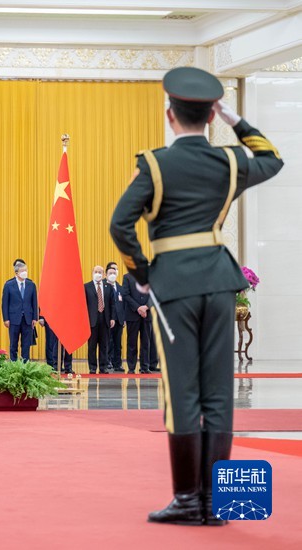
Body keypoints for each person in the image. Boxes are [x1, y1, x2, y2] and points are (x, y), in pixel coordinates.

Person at [110, 66, 283, 526]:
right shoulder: (230, 161)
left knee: (182, 390)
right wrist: (236, 120)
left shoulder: (154, 165)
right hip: (220, 281)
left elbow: (120, 225)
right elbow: (272, 158)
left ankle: (188, 500)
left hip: (174, 286)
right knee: (219, 391)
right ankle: (219, 504)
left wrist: (141, 274)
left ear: (171, 116)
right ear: (211, 116)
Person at [2, 259, 37, 361]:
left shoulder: (31, 284)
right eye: (22, 271)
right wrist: (6, 319)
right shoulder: (9, 285)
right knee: (13, 343)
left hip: (28, 318)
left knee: (26, 344)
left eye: (26, 270)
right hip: (13, 319)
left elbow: (34, 302)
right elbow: (5, 303)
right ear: (16, 272)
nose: (25, 272)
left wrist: (35, 317)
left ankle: (25, 364)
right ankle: (13, 363)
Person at [122, 271, 156, 374]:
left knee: (146, 342)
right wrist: (138, 308)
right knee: (132, 342)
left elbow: (155, 294)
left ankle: (145, 367)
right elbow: (125, 294)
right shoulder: (127, 277)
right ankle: (131, 367)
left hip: (147, 314)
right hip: (132, 314)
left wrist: (146, 307)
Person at [84, 265, 114, 374]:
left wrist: (112, 318)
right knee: (92, 345)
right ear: (92, 273)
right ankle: (92, 367)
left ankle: (103, 367)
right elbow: (84, 304)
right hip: (92, 320)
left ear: (104, 274)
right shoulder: (86, 286)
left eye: (100, 272)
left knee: (104, 345)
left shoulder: (108, 287)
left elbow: (112, 304)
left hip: (105, 319)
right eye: (96, 271)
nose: (98, 274)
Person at [105, 262, 127, 373]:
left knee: (118, 343)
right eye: (111, 271)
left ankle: (117, 363)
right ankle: (107, 361)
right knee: (108, 342)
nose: (114, 273)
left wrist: (124, 319)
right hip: (107, 319)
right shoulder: (103, 286)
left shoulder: (120, 288)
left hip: (119, 319)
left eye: (116, 271)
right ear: (106, 274)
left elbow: (124, 304)